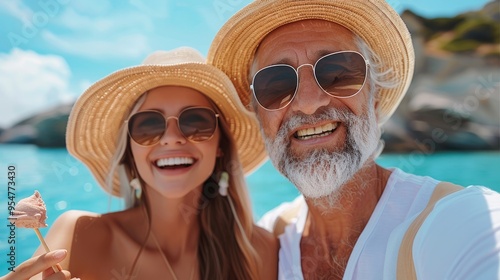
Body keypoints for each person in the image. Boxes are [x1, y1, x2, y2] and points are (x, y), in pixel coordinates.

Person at [207, 0, 500, 279]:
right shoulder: (271, 238)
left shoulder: (464, 222)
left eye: (337, 73)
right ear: (260, 117)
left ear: (375, 97)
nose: (308, 103)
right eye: (277, 85)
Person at [2, 47, 278, 280]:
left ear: (220, 147)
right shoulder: (78, 236)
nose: (172, 138)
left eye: (196, 122)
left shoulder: (261, 251)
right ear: (129, 153)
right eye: (148, 125)